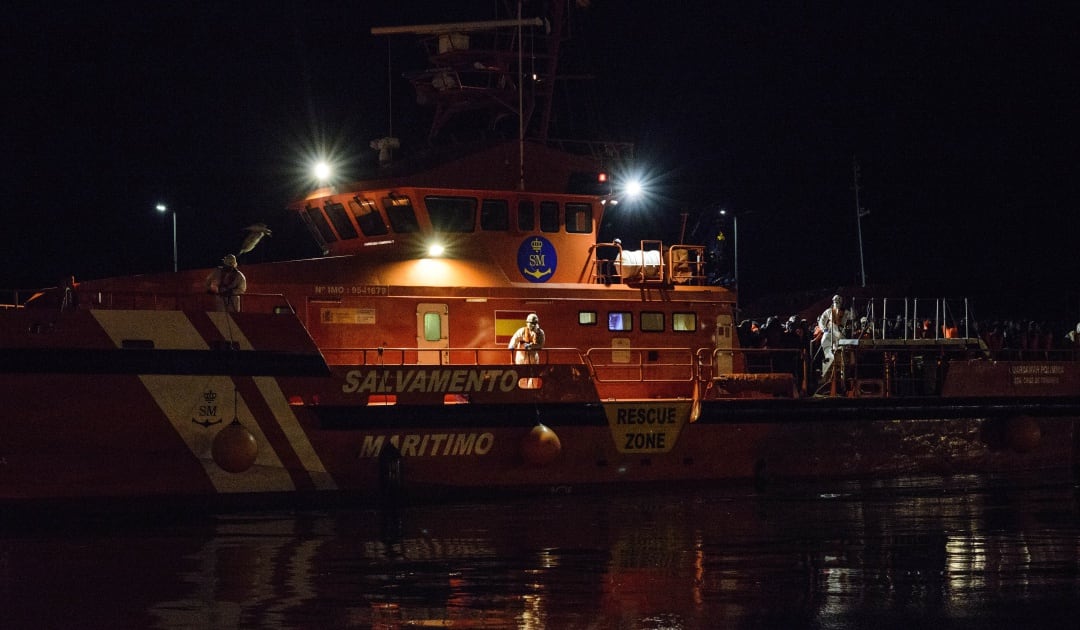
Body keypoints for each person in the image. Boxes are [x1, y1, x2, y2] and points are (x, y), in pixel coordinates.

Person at [817, 294, 852, 376]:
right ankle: (827, 368)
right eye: (835, 301)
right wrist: (824, 329)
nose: (837, 303)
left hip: (840, 334)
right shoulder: (828, 311)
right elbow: (821, 321)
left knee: (843, 352)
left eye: (838, 301)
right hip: (829, 333)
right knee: (826, 346)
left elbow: (852, 317)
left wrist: (852, 310)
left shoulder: (846, 312)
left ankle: (843, 372)